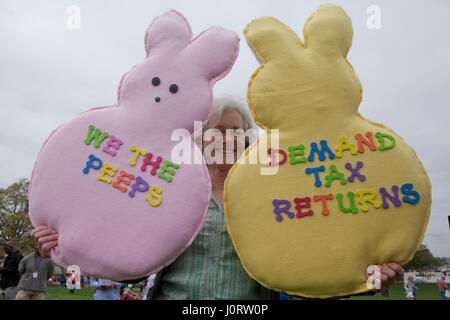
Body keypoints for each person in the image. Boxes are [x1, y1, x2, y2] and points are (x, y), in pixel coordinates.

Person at [31, 96, 404, 299]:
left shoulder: (270, 197)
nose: (227, 138)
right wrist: (68, 248)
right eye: (217, 130)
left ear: (246, 140)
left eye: (237, 132)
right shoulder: (169, 191)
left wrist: (365, 279)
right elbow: (133, 264)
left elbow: (305, 266)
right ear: (200, 137)